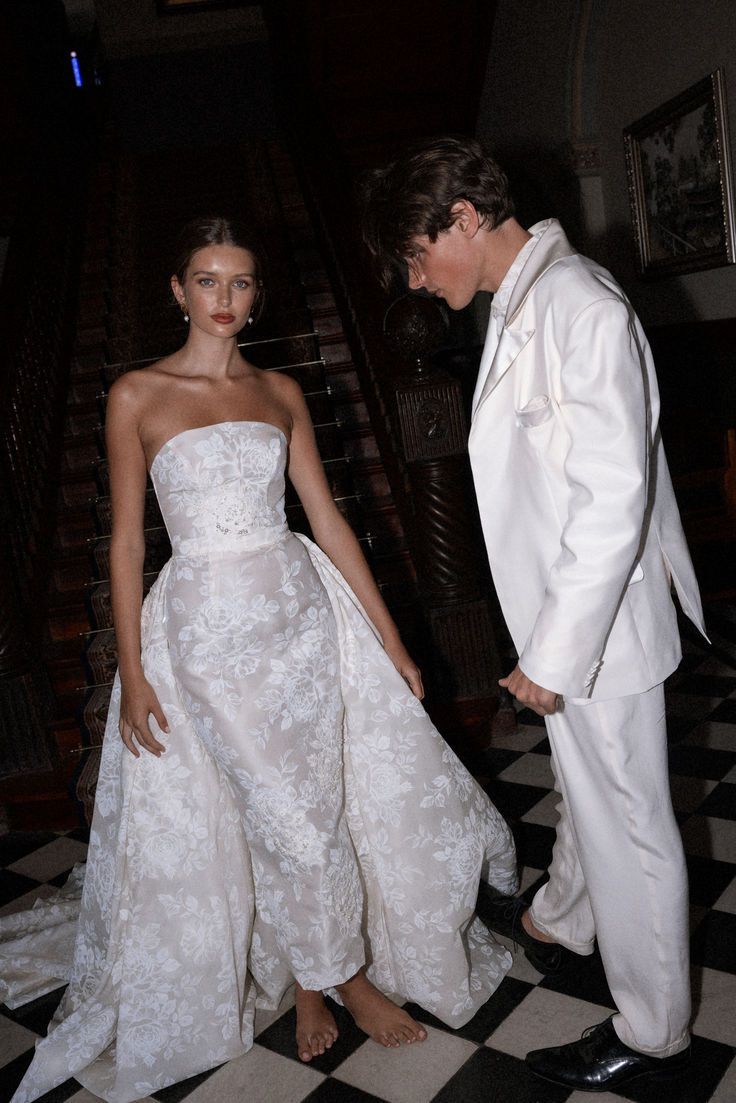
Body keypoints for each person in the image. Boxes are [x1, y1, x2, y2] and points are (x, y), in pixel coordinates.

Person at [1, 216, 518, 1103]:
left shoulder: (280, 390)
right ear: (178, 290)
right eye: (208, 280)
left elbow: (325, 516)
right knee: (276, 802)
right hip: (204, 628)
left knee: (310, 797)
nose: (226, 299)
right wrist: (133, 672)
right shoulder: (137, 393)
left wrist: (389, 637)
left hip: (298, 616)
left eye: (241, 283)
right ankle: (340, 977)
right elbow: (127, 544)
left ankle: (316, 978)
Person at [361, 137, 707, 1093]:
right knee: (586, 789)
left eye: (417, 256)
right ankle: (567, 916)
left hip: (596, 630)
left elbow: (613, 496)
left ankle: (654, 1031)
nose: (416, 281)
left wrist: (552, 655)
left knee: (631, 826)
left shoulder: (578, 305)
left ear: (463, 220)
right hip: (566, 618)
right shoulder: (525, 298)